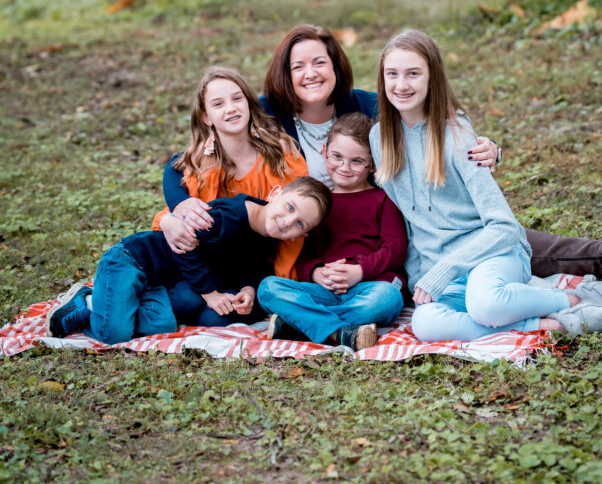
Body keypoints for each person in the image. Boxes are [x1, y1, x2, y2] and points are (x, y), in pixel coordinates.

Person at [166, 26, 602, 280]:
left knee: (476, 231)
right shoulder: (267, 116)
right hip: (310, 240)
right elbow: (180, 162)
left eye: (321, 61)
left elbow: (435, 127)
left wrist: (485, 148)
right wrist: (177, 207)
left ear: (338, 67)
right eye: (299, 66)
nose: (311, 73)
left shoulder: (365, 107)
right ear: (285, 74)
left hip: (382, 225)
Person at [369, 30, 602, 341]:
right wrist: (423, 277)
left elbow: (503, 226)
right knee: (426, 325)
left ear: (432, 78)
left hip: (491, 254)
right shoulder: (379, 139)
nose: (401, 84)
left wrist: (448, 267)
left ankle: (574, 298)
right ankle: (558, 322)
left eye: (413, 73)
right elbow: (410, 221)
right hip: (443, 273)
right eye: (392, 74)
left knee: (486, 305)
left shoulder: (456, 137)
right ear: (382, 80)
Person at [47, 177, 332, 343]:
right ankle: (87, 302)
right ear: (275, 193)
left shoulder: (266, 235)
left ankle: (116, 301)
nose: (287, 221)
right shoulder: (229, 217)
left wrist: (248, 289)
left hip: (160, 283)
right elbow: (184, 248)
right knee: (114, 333)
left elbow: (252, 265)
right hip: (135, 260)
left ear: (301, 235)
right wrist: (209, 293)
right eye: (290, 207)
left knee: (163, 325)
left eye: (299, 223)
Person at [258, 113, 407, 351]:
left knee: (388, 298)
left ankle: (299, 325)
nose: (344, 167)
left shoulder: (383, 200)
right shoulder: (318, 205)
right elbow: (304, 253)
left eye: (357, 161)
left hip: (369, 285)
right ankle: (340, 333)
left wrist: (360, 271)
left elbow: (395, 250)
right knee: (268, 288)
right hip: (324, 290)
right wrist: (317, 273)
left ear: (373, 163)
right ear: (325, 150)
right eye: (337, 156)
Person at [152, 67, 308, 282]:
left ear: (250, 104)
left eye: (237, 99)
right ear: (206, 117)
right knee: (188, 303)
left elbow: (299, 220)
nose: (231, 108)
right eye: (218, 104)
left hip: (263, 266)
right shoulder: (203, 163)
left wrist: (283, 279)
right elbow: (188, 212)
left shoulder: (281, 154)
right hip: (215, 265)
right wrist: (166, 221)